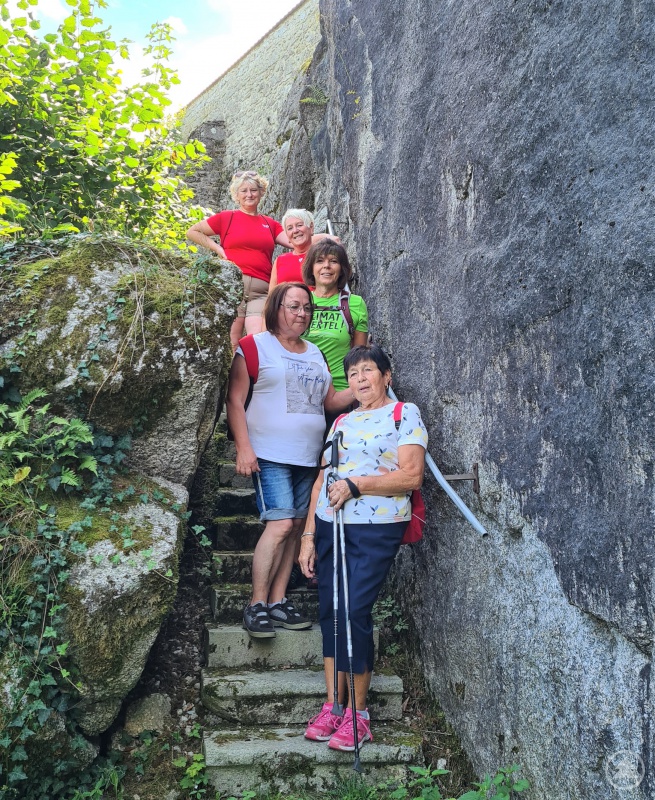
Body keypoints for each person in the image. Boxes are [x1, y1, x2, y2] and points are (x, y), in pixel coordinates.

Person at [298, 344, 428, 751]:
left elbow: (411, 476)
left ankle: (359, 714)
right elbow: (322, 481)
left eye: (368, 371)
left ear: (386, 376)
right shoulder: (339, 422)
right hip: (328, 524)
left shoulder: (403, 414)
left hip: (375, 527)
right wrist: (306, 536)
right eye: (353, 374)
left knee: (354, 610)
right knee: (331, 612)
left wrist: (358, 485)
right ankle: (333, 707)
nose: (360, 379)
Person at [226, 283, 356, 639]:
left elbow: (327, 402)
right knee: (281, 524)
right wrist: (243, 448)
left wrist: (361, 386)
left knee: (298, 527)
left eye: (307, 308)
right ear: (275, 308)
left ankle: (279, 601)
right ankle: (256, 604)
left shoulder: (315, 352)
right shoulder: (253, 346)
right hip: (269, 452)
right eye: (293, 306)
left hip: (308, 455)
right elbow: (234, 400)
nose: (301, 313)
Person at [186, 171, 290, 351]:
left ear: (261, 192)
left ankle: (252, 379)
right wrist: (218, 249)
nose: (249, 195)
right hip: (233, 288)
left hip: (261, 290)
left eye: (253, 190)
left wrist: (322, 238)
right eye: (244, 191)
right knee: (231, 342)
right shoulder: (227, 217)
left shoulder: (270, 223)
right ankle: (232, 379)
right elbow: (192, 232)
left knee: (257, 342)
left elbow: (295, 241)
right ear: (236, 195)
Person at [301, 240, 368, 392]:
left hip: (341, 390)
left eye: (333, 261)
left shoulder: (355, 303)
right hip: (303, 389)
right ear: (311, 268)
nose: (326, 266)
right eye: (319, 261)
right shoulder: (301, 301)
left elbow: (359, 357)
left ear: (341, 269)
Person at [268, 209, 315, 291]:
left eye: (299, 225)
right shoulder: (280, 260)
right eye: (290, 228)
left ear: (311, 228)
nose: (295, 231)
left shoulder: (322, 256)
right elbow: (271, 296)